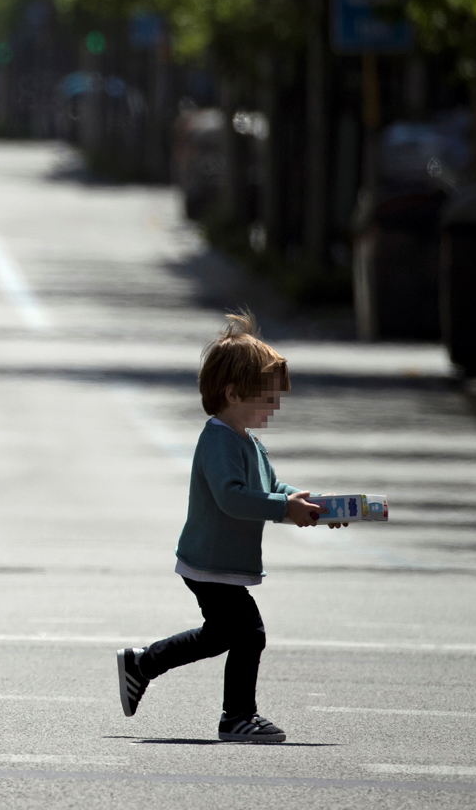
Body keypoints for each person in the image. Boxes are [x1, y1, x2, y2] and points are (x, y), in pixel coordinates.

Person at [114, 313, 346, 743]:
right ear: (233, 393)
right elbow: (233, 498)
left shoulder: (246, 440)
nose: (274, 406)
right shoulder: (219, 439)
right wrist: (285, 508)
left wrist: (314, 506)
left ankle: (143, 664)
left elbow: (272, 488)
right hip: (209, 561)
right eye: (267, 397)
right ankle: (237, 716)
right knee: (249, 634)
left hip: (219, 562)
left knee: (219, 636)